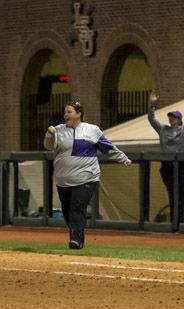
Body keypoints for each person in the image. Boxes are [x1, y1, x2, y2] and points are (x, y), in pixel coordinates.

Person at [44, 100, 132, 249]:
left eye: (69, 112)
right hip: (63, 179)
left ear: (79, 114)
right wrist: (49, 135)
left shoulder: (92, 130)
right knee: (67, 210)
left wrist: (122, 158)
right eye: (65, 112)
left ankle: (76, 239)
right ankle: (77, 234)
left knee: (77, 206)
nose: (66, 114)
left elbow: (107, 147)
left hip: (87, 176)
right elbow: (48, 147)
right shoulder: (58, 130)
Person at [148, 90, 184, 224]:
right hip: (167, 167)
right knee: (173, 195)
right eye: (170, 117)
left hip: (182, 167)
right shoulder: (163, 129)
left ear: (179, 119)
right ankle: (175, 225)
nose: (171, 119)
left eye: (174, 117)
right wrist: (151, 104)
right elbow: (151, 119)